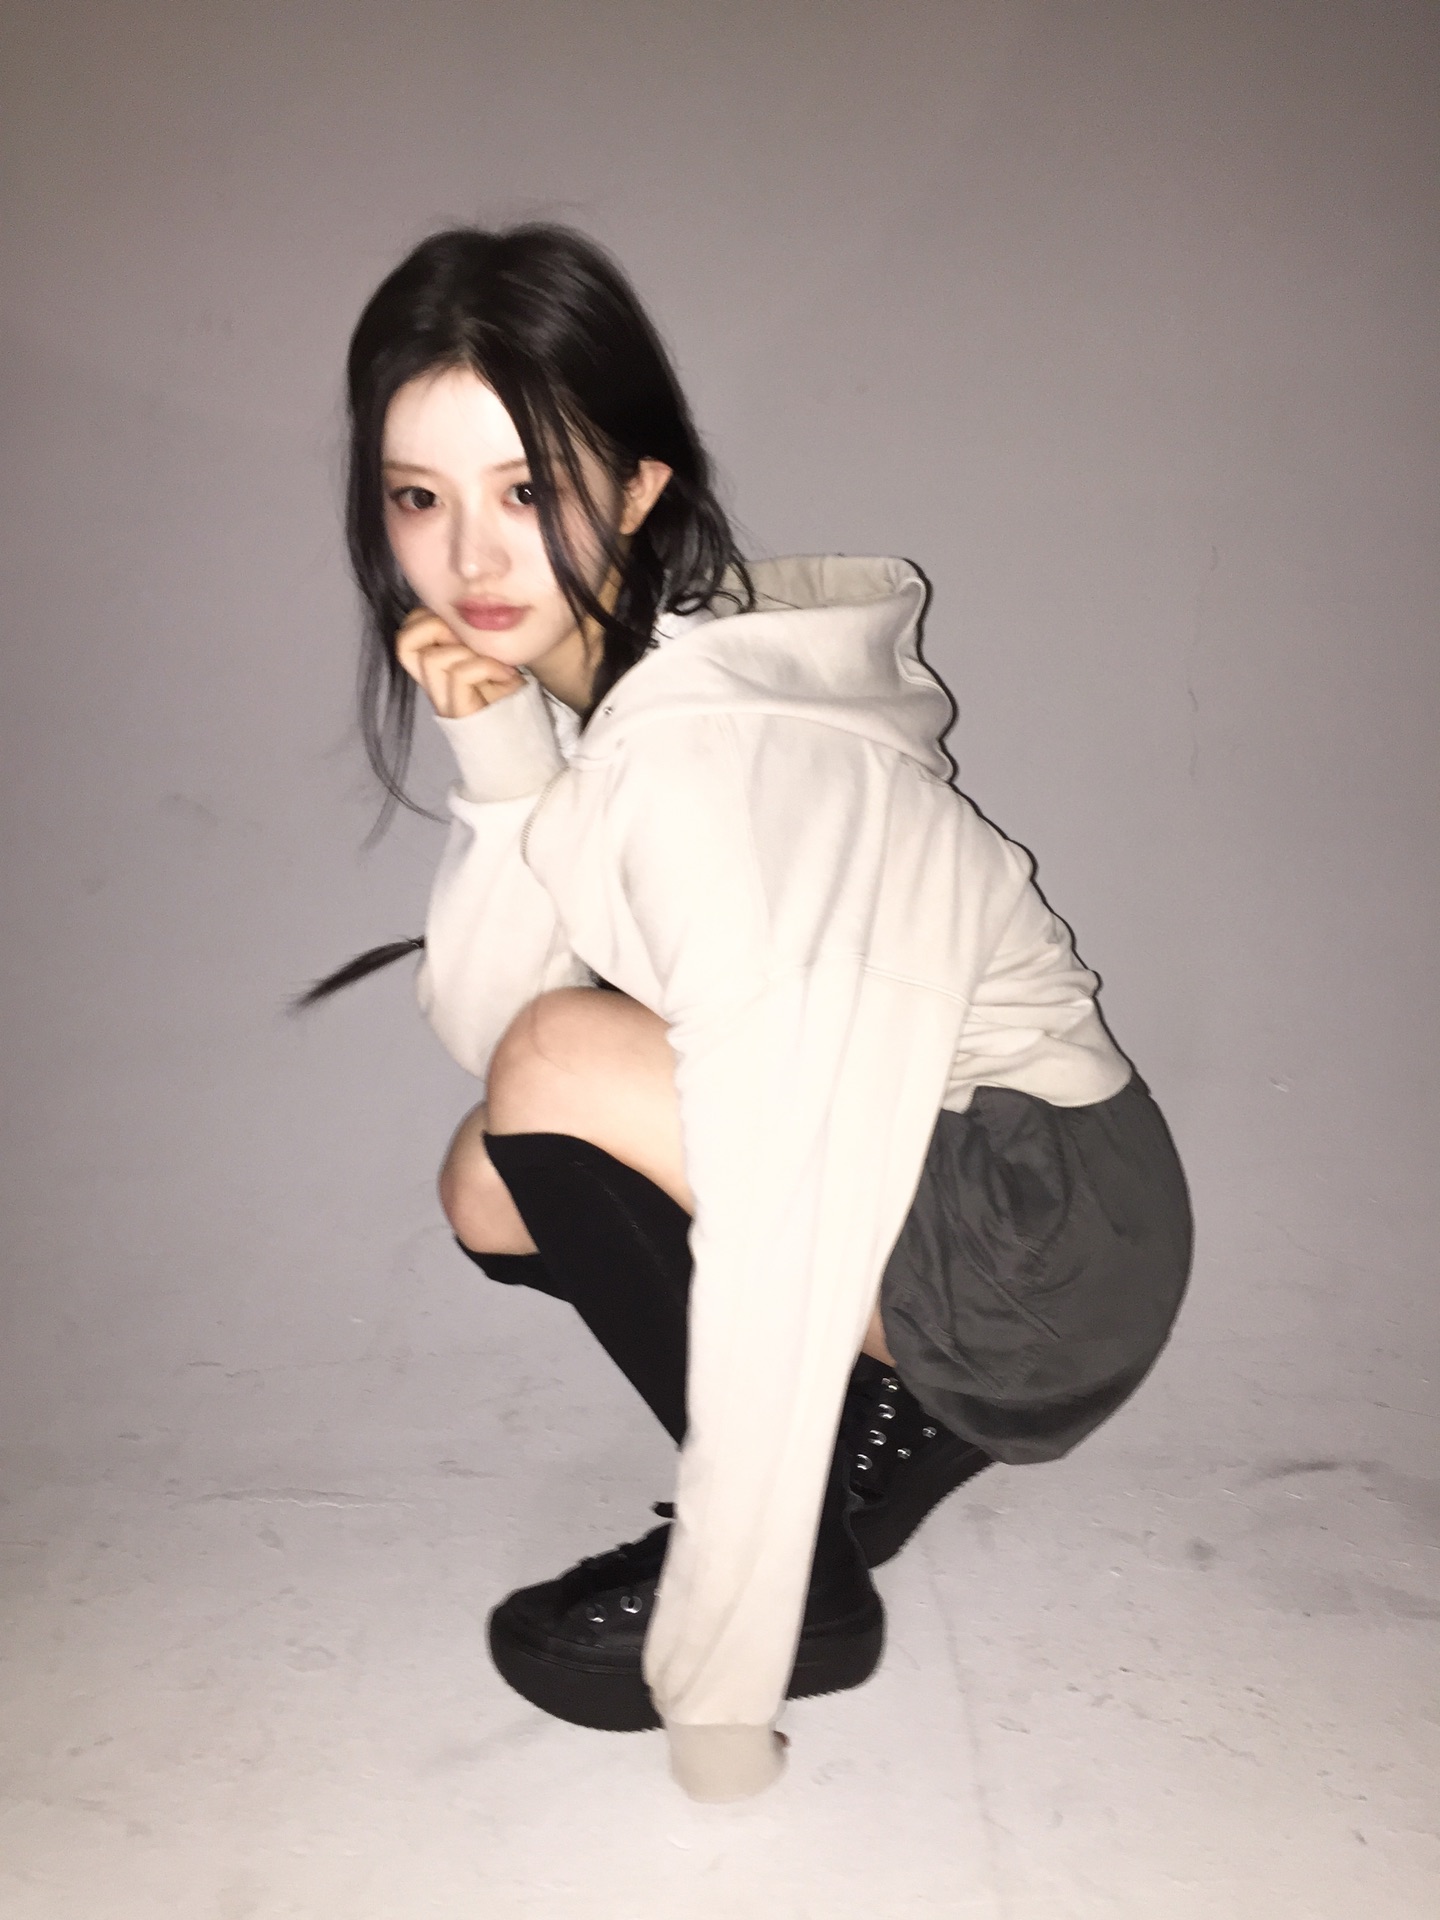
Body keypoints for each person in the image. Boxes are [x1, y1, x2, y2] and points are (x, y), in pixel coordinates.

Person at [301, 223, 1192, 1803]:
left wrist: (727, 1670)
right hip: (971, 1180)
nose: (472, 560)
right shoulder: (629, 688)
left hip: (1047, 1233)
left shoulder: (711, 760)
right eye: (419, 498)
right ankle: (888, 1423)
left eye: (529, 490)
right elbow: (493, 1032)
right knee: (497, 1169)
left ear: (640, 486)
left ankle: (820, 1583)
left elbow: (782, 1207)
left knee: (558, 1075)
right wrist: (499, 755)